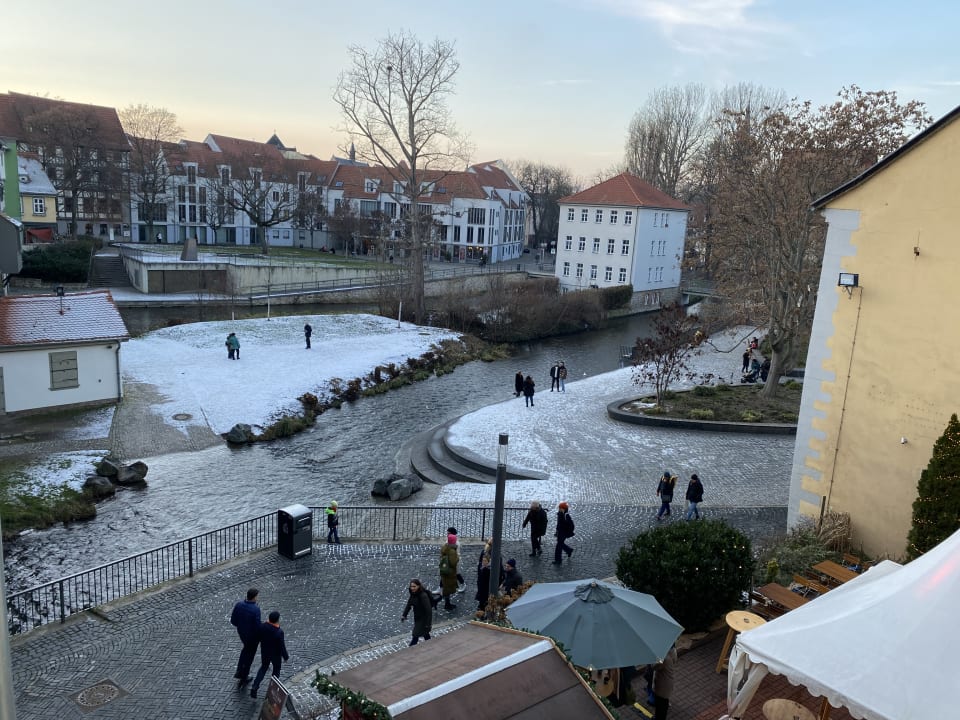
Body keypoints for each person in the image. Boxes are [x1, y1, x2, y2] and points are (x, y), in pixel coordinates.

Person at [250, 610, 289, 699]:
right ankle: (272, 690)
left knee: (263, 667)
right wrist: (285, 656)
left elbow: (258, 637)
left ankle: (255, 686)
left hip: (265, 652)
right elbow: (282, 646)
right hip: (275, 655)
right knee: (276, 670)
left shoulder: (262, 626)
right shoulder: (279, 632)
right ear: (277, 620)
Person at [230, 588, 261, 688]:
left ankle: (240, 671)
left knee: (245, 651)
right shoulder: (255, 609)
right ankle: (244, 675)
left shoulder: (239, 605)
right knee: (249, 656)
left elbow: (233, 621)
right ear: (254, 597)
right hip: (252, 637)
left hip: (242, 634)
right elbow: (257, 626)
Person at [401, 578, 434, 646]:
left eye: (414, 586)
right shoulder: (413, 594)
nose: (412, 588)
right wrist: (404, 615)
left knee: (415, 635)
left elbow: (429, 611)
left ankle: (410, 649)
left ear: (418, 586)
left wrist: (428, 624)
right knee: (425, 634)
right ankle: (431, 645)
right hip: (417, 617)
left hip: (423, 619)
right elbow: (409, 604)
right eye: (411, 586)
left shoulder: (423, 596)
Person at [652, 644, 678, 720]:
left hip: (662, 684)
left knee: (660, 704)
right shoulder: (673, 651)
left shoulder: (664, 658)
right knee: (664, 702)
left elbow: (654, 666)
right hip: (668, 681)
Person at [439, 533, 460, 610]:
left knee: (446, 587)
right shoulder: (452, 551)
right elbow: (453, 563)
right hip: (450, 572)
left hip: (444, 571)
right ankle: (446, 604)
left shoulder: (445, 547)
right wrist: (457, 558)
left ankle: (446, 602)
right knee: (447, 588)